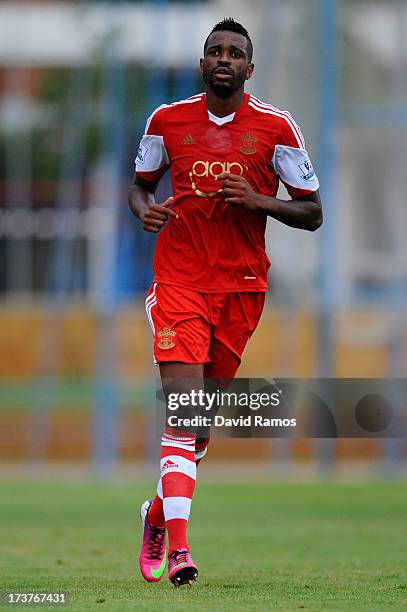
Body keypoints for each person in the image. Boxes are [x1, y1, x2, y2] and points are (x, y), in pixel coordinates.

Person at [128, 17, 322, 587]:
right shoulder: (166, 121)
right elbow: (140, 184)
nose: (223, 59)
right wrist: (147, 211)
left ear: (249, 68)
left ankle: (157, 514)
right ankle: (181, 552)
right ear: (202, 62)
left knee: (201, 429)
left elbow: (313, 212)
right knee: (184, 414)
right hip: (180, 281)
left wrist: (259, 200)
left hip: (241, 289)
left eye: (234, 52)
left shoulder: (277, 129)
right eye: (214, 50)